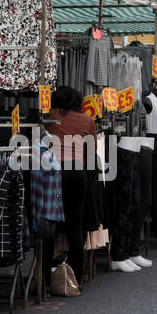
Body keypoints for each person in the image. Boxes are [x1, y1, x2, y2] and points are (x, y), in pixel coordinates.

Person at [46, 86, 96, 284]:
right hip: (76, 172)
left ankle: (47, 276)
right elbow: (91, 154)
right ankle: (76, 276)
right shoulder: (87, 120)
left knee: (50, 225)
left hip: (51, 170)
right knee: (76, 227)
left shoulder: (48, 117)